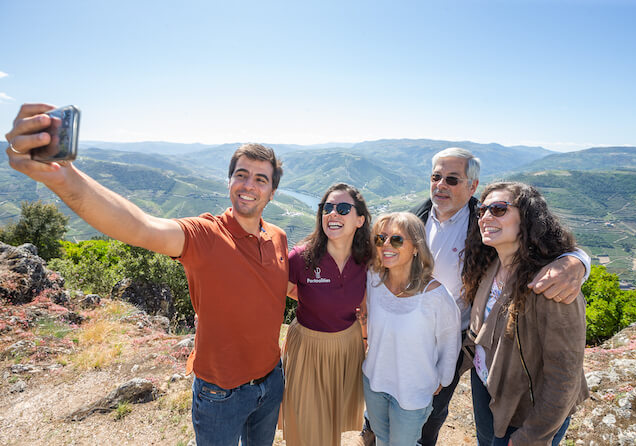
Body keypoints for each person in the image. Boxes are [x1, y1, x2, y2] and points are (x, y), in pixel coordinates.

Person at [5, 104, 288, 446]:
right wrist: (66, 178)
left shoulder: (278, 238)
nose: (249, 185)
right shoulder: (206, 235)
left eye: (261, 179)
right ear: (229, 181)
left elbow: (283, 287)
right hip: (220, 394)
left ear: (272, 192)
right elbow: (140, 226)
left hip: (271, 382)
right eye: (241, 174)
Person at [355, 147, 590, 446]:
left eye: (452, 179)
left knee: (430, 414)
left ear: (472, 186)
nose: (441, 185)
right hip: (413, 342)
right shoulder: (417, 217)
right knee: (383, 407)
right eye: (436, 177)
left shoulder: (482, 228)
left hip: (449, 342)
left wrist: (577, 261)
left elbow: (540, 246)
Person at [462, 181, 589, 445]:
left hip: (526, 411)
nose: (485, 217)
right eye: (482, 211)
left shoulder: (552, 284)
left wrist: (533, 436)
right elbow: (478, 332)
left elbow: (564, 375)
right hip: (487, 388)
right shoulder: (491, 265)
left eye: (498, 209)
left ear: (528, 217)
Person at [282, 183, 372, 446]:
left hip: (347, 348)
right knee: (308, 427)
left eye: (343, 208)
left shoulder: (366, 259)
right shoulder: (301, 257)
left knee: (331, 424)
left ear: (360, 220)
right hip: (307, 349)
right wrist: (315, 299)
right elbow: (285, 290)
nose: (333, 214)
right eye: (327, 208)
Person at [363, 212, 461, 446]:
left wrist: (442, 379)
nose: (386, 245)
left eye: (396, 240)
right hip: (374, 381)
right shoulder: (373, 280)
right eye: (380, 238)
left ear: (416, 247)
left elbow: (450, 343)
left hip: (413, 391)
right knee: (382, 439)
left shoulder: (436, 296)